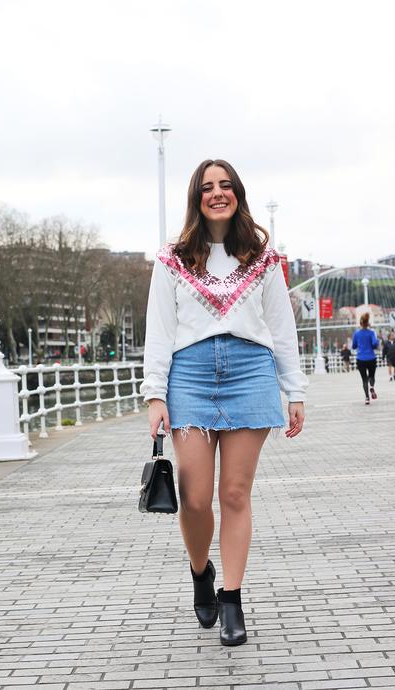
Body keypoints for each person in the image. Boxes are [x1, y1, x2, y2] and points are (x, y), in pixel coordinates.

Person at [140, 159, 308, 646]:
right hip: (189, 375)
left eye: (226, 185)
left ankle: (232, 598)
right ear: (196, 196)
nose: (218, 193)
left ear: (238, 193)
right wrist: (155, 394)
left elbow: (281, 328)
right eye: (207, 186)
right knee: (194, 498)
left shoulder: (261, 258)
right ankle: (201, 573)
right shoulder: (172, 258)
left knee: (234, 494)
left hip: (250, 373)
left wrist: (294, 390)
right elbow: (159, 330)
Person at [352, 312, 379, 404]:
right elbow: (375, 344)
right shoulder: (371, 333)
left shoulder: (356, 333)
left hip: (361, 359)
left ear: (360, 323)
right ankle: (371, 386)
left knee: (364, 379)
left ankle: (367, 398)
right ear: (368, 323)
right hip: (371, 358)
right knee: (371, 376)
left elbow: (354, 346)